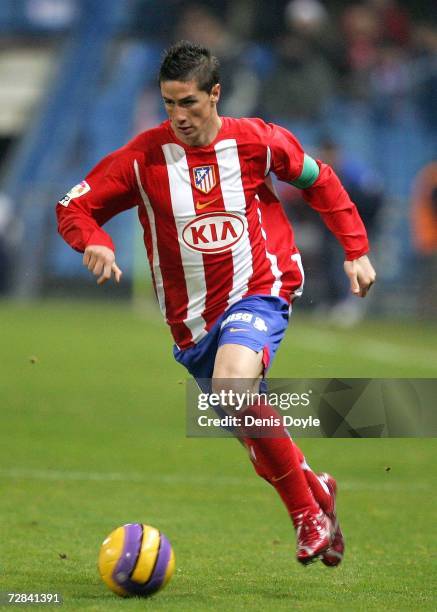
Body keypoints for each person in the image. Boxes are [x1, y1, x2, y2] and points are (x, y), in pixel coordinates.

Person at [56, 41, 376, 568]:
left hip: (260, 288)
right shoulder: (142, 158)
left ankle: (306, 515)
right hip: (192, 324)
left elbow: (319, 179)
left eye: (190, 103)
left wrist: (356, 249)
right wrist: (94, 240)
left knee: (232, 386)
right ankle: (316, 489)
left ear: (215, 94)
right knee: (248, 423)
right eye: (169, 104)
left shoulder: (256, 141)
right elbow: (73, 205)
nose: (179, 116)